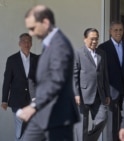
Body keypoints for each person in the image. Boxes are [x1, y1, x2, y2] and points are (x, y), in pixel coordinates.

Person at [17, 5, 79, 141]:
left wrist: (34, 105)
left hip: (58, 117)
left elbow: (57, 80)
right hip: (44, 115)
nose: (31, 33)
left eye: (32, 28)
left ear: (45, 22)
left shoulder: (60, 44)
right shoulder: (49, 44)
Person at [73, 28, 110, 141]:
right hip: (83, 95)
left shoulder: (102, 54)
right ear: (85, 39)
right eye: (92, 39)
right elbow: (74, 76)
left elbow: (105, 75)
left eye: (96, 39)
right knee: (81, 127)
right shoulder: (78, 53)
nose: (94, 41)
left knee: (103, 118)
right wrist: (76, 94)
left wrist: (107, 94)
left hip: (99, 94)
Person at [1, 33, 39, 141]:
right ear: (19, 43)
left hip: (33, 100)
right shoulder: (12, 60)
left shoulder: (36, 59)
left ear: (31, 44)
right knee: (20, 129)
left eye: (29, 41)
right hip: (17, 100)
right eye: (24, 41)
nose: (26, 44)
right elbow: (7, 81)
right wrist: (4, 100)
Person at [98, 21, 124, 141]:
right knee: (111, 123)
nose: (118, 32)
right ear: (110, 31)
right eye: (115, 30)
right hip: (111, 91)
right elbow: (100, 72)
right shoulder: (103, 48)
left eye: (120, 30)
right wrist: (104, 92)